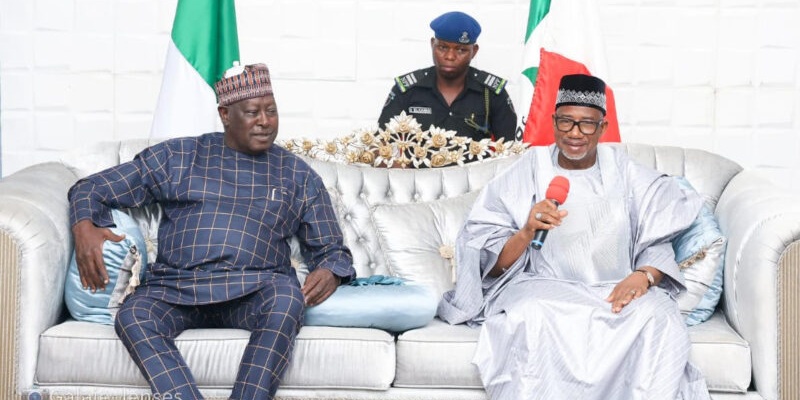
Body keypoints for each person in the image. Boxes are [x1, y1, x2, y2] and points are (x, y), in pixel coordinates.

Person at [68, 63, 355, 400]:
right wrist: (83, 224)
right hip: (176, 287)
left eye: (272, 111)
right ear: (225, 114)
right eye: (252, 112)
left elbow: (332, 249)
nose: (265, 121)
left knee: (287, 300)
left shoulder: (296, 174)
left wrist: (330, 271)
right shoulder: (178, 157)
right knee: (134, 315)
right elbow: (92, 187)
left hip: (256, 288)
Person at [438, 74, 711, 399]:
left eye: (586, 124)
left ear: (603, 127)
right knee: (530, 314)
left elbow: (658, 233)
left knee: (660, 316)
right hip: (542, 286)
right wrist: (526, 231)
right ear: (553, 122)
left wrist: (644, 275)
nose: (575, 134)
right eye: (566, 122)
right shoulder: (527, 171)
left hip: (613, 290)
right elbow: (489, 264)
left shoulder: (627, 173)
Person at [377, 11, 518, 144]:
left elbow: (509, 151)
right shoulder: (407, 90)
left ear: (473, 51)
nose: (450, 56)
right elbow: (382, 144)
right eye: (443, 47)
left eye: (461, 50)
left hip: (477, 170)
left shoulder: (491, 93)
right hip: (418, 170)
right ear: (432, 44)